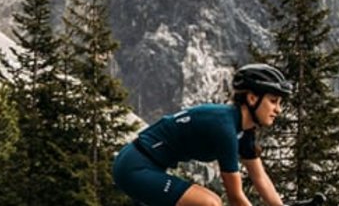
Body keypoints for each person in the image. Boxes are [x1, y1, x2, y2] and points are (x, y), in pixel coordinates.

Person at [113, 63, 293, 206]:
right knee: (210, 203)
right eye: (273, 101)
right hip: (134, 167)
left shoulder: (244, 131)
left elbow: (259, 178)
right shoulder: (225, 128)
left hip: (147, 167)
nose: (278, 109)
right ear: (253, 98)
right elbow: (236, 198)